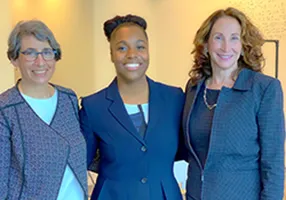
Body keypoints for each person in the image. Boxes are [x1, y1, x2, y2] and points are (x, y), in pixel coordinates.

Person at [183, 7, 285, 200]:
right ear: (205, 43)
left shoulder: (264, 89)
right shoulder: (194, 88)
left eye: (234, 38)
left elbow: (273, 164)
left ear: (244, 44)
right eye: (218, 37)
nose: (226, 47)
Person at [79, 14, 185, 200]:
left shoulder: (174, 98)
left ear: (148, 50)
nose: (132, 54)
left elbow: (186, 149)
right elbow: (82, 162)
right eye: (121, 48)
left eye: (140, 47)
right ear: (111, 54)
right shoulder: (93, 106)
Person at [0, 20, 87, 200]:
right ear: (14, 59)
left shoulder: (68, 99)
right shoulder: (6, 110)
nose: (40, 62)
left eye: (47, 52)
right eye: (30, 53)